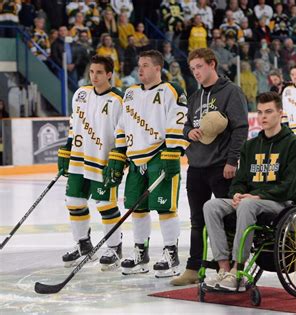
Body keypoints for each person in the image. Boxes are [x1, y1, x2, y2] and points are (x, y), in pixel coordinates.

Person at [203, 91, 296, 291]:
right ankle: (223, 267)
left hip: (280, 203)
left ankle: (237, 270)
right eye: (260, 112)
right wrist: (236, 193)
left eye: (269, 112)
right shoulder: (250, 146)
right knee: (211, 206)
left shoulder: (292, 143)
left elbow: (292, 185)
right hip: (250, 200)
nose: (263, 117)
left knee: (247, 204)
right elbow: (240, 180)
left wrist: (257, 196)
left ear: (280, 113)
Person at [170, 48, 248, 286]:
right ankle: (194, 267)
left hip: (221, 166)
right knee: (197, 220)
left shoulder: (231, 92)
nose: (196, 73)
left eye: (199, 67)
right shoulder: (194, 98)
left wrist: (232, 161)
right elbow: (186, 126)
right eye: (192, 69)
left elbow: (240, 128)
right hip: (197, 166)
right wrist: (189, 132)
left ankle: (233, 268)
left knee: (228, 219)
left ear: (212, 64)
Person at [109, 50, 188, 278]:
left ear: (157, 68)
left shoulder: (171, 90)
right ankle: (140, 253)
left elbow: (179, 120)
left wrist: (173, 152)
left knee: (164, 207)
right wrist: (119, 154)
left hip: (160, 156)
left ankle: (171, 254)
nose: (139, 69)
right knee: (137, 207)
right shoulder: (130, 93)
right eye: (138, 65)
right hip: (135, 158)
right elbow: (122, 125)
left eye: (144, 65)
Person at [57, 55, 125, 271]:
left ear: (109, 74)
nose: (94, 76)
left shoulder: (118, 100)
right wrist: (67, 148)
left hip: (103, 160)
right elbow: (73, 124)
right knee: (73, 200)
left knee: (105, 204)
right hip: (79, 157)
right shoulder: (80, 94)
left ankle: (114, 247)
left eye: (99, 72)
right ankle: (83, 244)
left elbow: (123, 133)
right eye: (92, 72)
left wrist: (118, 157)